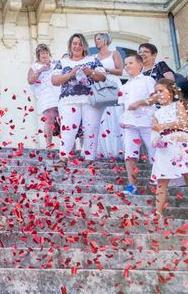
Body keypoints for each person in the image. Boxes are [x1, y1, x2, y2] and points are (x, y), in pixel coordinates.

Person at [51, 33, 106, 167]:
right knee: (68, 128)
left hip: (90, 99)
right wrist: (70, 74)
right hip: (68, 100)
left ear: (84, 46)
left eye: (80, 44)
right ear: (70, 45)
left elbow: (103, 77)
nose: (77, 46)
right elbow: (55, 80)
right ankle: (63, 158)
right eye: (74, 43)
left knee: (91, 128)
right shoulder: (63, 62)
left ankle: (89, 159)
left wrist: (90, 72)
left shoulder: (92, 60)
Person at [150, 78, 188, 219]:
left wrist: (163, 126)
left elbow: (183, 122)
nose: (158, 94)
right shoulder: (156, 113)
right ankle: (158, 212)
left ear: (171, 91)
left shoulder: (178, 105)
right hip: (165, 145)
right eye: (156, 92)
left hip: (180, 142)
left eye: (161, 90)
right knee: (162, 179)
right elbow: (154, 130)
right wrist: (156, 139)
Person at [118, 54, 156, 195]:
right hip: (130, 125)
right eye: (125, 63)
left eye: (130, 63)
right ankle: (131, 185)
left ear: (140, 64)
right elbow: (123, 106)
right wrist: (122, 119)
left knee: (153, 152)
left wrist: (139, 103)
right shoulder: (125, 85)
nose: (127, 66)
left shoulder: (147, 80)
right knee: (130, 153)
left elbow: (154, 98)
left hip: (147, 122)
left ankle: (158, 181)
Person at [94, 32, 124, 160]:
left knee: (115, 115)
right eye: (95, 40)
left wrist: (106, 70)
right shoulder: (94, 57)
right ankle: (105, 150)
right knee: (102, 118)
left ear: (106, 40)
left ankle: (119, 149)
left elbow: (120, 70)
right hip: (100, 87)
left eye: (99, 39)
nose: (97, 41)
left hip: (112, 84)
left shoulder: (114, 54)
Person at [27, 44, 60, 149]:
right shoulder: (34, 67)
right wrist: (40, 70)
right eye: (42, 53)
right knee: (49, 118)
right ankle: (48, 145)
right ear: (38, 55)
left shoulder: (55, 64)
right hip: (45, 95)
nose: (44, 55)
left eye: (46, 53)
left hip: (58, 93)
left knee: (62, 118)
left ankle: (65, 145)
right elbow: (30, 80)